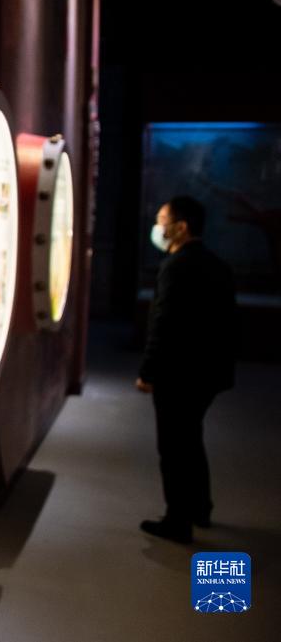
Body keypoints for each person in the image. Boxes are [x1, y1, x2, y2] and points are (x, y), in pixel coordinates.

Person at [136, 195, 236, 544]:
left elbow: (163, 324)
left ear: (181, 227)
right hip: (208, 374)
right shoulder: (218, 265)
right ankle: (200, 507)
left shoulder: (176, 266)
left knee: (175, 447)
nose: (157, 226)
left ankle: (177, 521)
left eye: (162, 220)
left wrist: (148, 372)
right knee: (191, 439)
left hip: (177, 374)